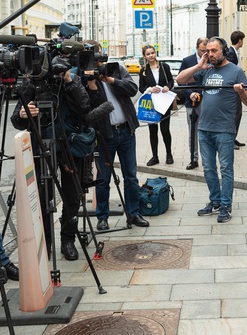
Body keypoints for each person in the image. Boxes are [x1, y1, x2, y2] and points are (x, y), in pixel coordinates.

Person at [10, 46, 93, 260]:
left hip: (69, 145)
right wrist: (23, 113)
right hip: (40, 146)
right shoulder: (33, 84)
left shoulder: (70, 80)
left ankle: (68, 240)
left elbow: (84, 106)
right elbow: (16, 120)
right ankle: (45, 244)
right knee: (42, 196)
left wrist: (68, 80)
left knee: (72, 195)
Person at [176, 37, 247, 223]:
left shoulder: (236, 71)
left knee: (226, 169)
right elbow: (180, 80)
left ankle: (226, 205)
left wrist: (240, 91)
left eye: (214, 51)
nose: (209, 54)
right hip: (204, 128)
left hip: (225, 129)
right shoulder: (206, 70)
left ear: (224, 51)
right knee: (209, 169)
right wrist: (198, 66)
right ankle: (215, 201)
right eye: (207, 51)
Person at [84, 42, 150, 231]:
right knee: (103, 178)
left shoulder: (116, 69)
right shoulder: (84, 76)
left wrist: (111, 80)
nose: (96, 61)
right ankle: (102, 217)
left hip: (126, 131)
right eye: (91, 57)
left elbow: (131, 89)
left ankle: (134, 213)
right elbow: (86, 105)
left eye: (97, 56)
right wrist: (91, 81)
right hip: (104, 135)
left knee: (131, 176)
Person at [138, 45, 174, 166]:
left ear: (155, 53)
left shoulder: (164, 67)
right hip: (151, 104)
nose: (151, 55)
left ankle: (169, 154)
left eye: (152, 53)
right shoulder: (143, 70)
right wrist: (149, 89)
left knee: (165, 129)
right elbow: (141, 87)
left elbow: (171, 81)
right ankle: (155, 156)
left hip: (164, 102)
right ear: (144, 56)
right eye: (148, 54)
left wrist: (167, 87)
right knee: (153, 130)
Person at [177, 37, 208, 170]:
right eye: (202, 50)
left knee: (206, 131)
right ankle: (193, 159)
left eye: (206, 50)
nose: (204, 53)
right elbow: (181, 81)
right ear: (197, 48)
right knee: (193, 132)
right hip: (192, 101)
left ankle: (207, 159)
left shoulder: (211, 61)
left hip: (207, 100)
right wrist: (190, 93)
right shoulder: (187, 61)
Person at [225, 30, 246, 148]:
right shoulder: (231, 53)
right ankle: (231, 140)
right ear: (240, 40)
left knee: (238, 114)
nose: (243, 42)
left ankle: (234, 137)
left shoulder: (234, 52)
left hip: (237, 87)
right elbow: (230, 70)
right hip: (234, 89)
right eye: (242, 40)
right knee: (234, 114)